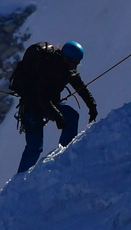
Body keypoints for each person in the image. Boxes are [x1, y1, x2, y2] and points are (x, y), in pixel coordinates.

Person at [9, 40, 97, 173]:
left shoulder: (67, 68)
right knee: (35, 147)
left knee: (70, 118)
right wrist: (58, 116)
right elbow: (42, 97)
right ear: (66, 58)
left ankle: (64, 154)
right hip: (32, 108)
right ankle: (20, 179)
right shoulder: (49, 68)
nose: (75, 66)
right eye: (73, 63)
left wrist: (92, 106)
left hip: (42, 107)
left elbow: (81, 88)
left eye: (77, 63)